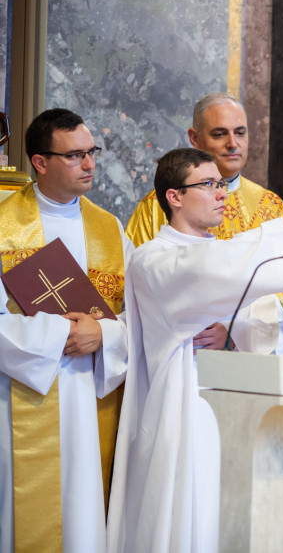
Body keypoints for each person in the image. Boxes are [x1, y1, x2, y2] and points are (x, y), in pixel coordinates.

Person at [106, 148, 283, 552]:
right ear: (174, 197)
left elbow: (262, 314)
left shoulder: (228, 260)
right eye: (208, 184)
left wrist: (230, 332)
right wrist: (279, 231)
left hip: (234, 410)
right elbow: (199, 273)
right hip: (182, 412)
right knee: (187, 519)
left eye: (222, 184)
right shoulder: (152, 259)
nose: (222, 194)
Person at [0, 109, 133, 552]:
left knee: (87, 520)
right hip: (24, 393)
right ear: (40, 162)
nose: (89, 164)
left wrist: (105, 336)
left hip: (93, 395)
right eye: (75, 155)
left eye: (92, 152)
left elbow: (140, 315)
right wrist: (58, 336)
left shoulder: (110, 229)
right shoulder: (3, 225)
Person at [125, 92, 283, 354]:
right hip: (181, 353)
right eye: (220, 134)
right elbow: (200, 266)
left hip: (249, 361)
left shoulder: (272, 207)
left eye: (240, 133)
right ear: (194, 138)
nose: (233, 144)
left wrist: (235, 332)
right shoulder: (156, 207)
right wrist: (280, 231)